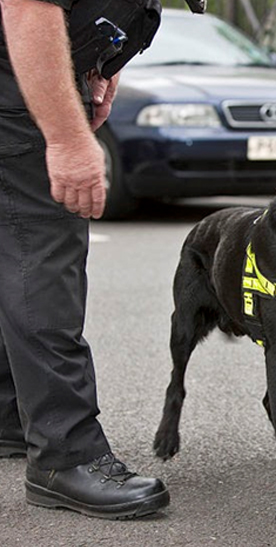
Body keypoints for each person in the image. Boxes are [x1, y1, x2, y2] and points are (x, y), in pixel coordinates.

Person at [0, 0, 169, 518]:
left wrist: (100, 67)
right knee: (41, 256)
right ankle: (65, 455)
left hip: (23, 71)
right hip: (15, 87)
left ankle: (10, 416)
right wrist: (67, 139)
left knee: (11, 248)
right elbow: (28, 6)